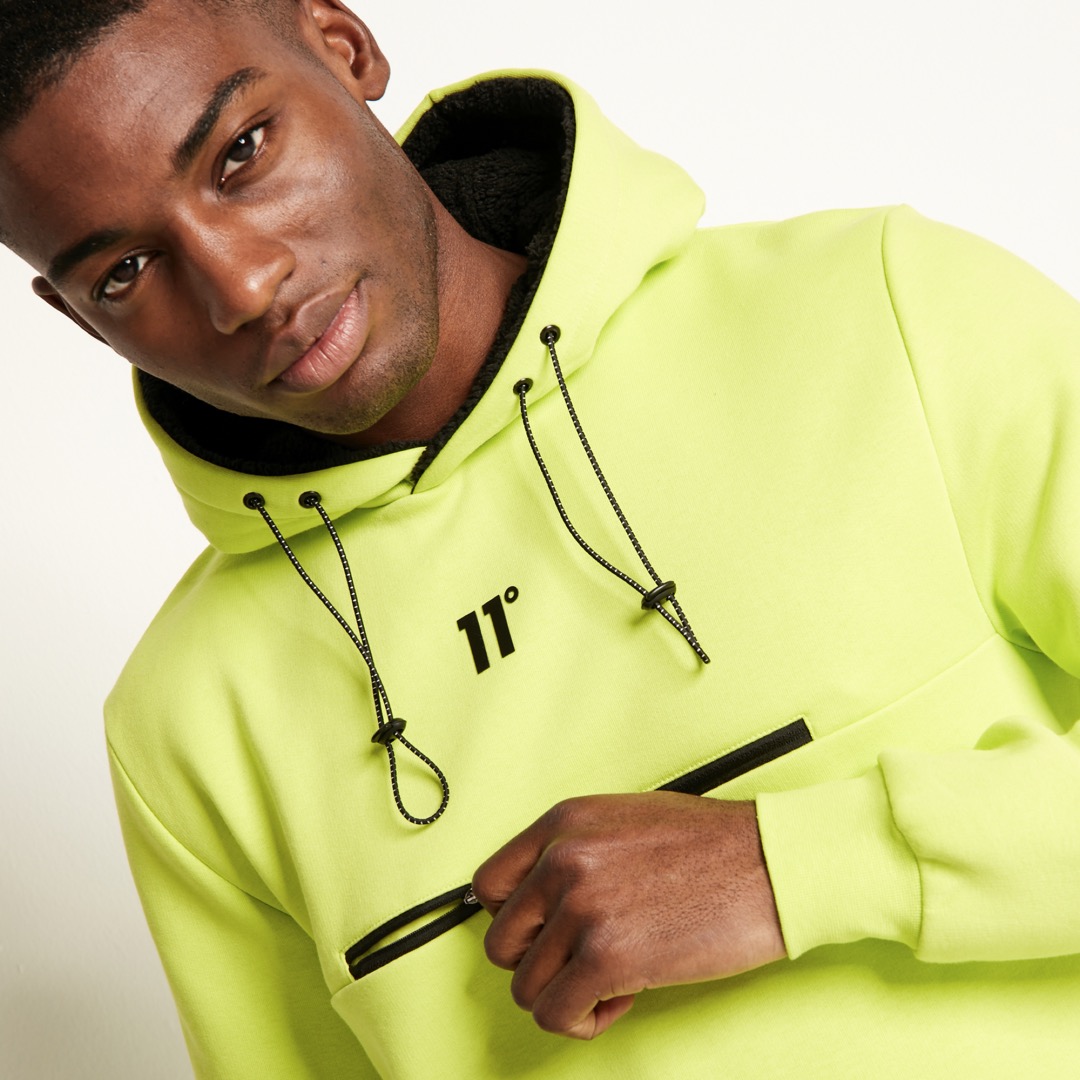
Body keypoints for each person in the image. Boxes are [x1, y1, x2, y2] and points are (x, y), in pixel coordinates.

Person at [3, 0, 1080, 1076]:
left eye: (241, 152)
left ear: (343, 45)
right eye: (123, 273)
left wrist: (794, 868)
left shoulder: (886, 309)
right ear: (75, 315)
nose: (241, 286)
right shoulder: (185, 721)